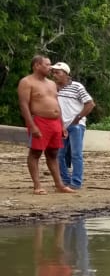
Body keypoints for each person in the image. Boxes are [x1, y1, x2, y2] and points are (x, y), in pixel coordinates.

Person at [18, 55, 75, 195]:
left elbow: (56, 104)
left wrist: (61, 125)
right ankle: (37, 185)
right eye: (47, 65)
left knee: (53, 153)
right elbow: (24, 105)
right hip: (39, 120)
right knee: (35, 152)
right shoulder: (27, 82)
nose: (50, 68)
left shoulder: (51, 83)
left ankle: (59, 184)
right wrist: (32, 125)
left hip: (55, 122)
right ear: (37, 65)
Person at [51, 62, 95, 190]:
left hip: (76, 125)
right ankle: (65, 180)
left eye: (57, 72)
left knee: (76, 154)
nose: (54, 75)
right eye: (53, 72)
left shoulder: (77, 86)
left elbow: (90, 103)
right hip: (61, 126)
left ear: (66, 73)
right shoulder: (53, 87)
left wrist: (78, 118)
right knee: (59, 154)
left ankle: (76, 182)